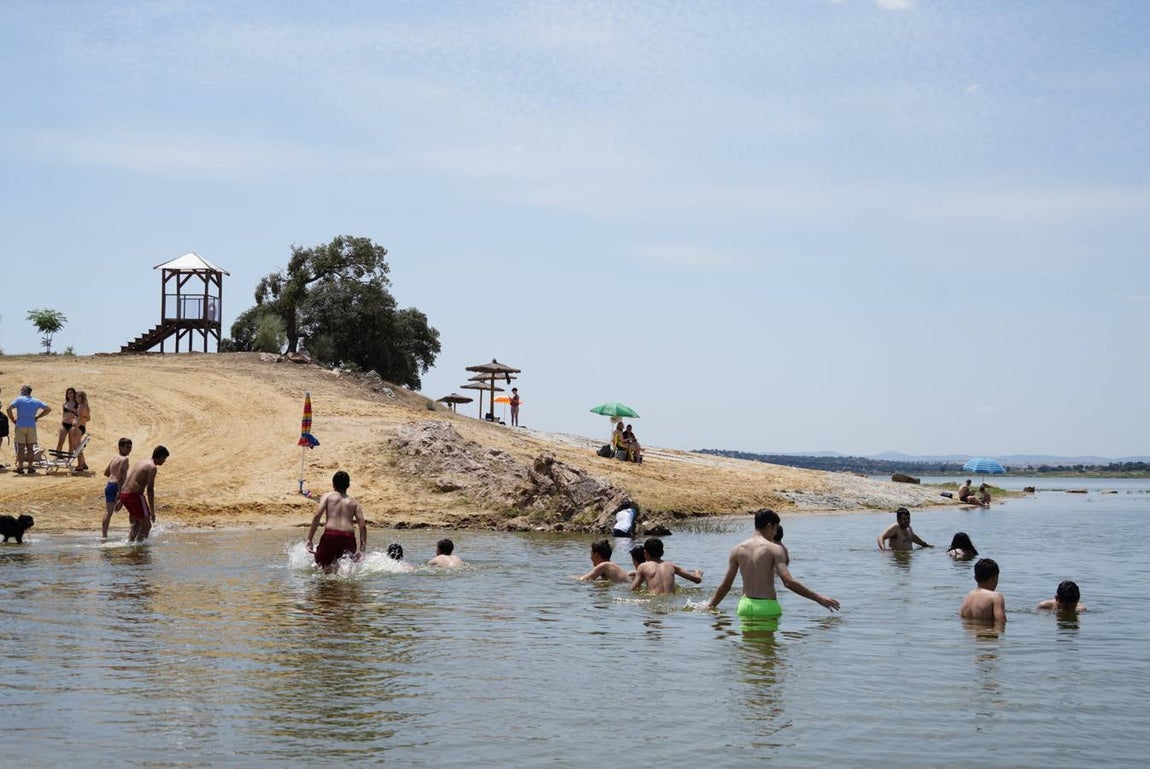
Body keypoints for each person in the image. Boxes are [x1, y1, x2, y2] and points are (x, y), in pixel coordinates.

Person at [705, 509, 840, 619]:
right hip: (766, 608)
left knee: (749, 651)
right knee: (768, 651)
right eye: (775, 529)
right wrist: (818, 598)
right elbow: (788, 582)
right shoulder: (775, 549)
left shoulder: (737, 549)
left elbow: (726, 585)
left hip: (744, 607)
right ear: (770, 526)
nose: (776, 533)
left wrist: (710, 606)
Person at [306, 470, 367, 571]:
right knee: (344, 570)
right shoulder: (354, 502)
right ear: (348, 485)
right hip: (348, 538)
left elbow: (317, 516)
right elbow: (362, 526)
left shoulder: (327, 496)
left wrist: (309, 539)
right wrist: (362, 550)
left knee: (322, 568)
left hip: (331, 536)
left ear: (333, 484)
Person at [119, 445, 169, 542]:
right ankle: (139, 548)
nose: (164, 461)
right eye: (164, 459)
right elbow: (150, 489)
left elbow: (129, 480)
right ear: (160, 457)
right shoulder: (152, 467)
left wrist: (121, 498)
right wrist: (153, 511)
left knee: (137, 523)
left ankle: (131, 544)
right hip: (135, 496)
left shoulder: (141, 462)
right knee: (147, 526)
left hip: (124, 494)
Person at [630, 538, 702, 595]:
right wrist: (698, 572)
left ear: (645, 553)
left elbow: (633, 589)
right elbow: (697, 580)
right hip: (670, 602)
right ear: (662, 552)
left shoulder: (643, 566)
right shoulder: (671, 566)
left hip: (653, 600)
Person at [6, 385, 51, 474]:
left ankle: (20, 467)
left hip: (20, 425)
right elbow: (48, 409)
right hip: (31, 425)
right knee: (30, 447)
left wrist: (13, 420)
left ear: (23, 391)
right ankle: (30, 467)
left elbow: (8, 409)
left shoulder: (19, 399)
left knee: (21, 447)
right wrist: (37, 417)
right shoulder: (35, 401)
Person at [101, 437, 133, 538]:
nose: (129, 450)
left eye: (130, 447)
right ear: (120, 447)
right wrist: (120, 492)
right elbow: (120, 476)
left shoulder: (115, 458)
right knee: (133, 509)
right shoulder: (125, 459)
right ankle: (132, 533)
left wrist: (113, 477)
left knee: (108, 512)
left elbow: (106, 473)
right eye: (127, 447)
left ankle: (104, 536)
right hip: (119, 487)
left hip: (109, 485)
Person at [959, 557, 1006, 624]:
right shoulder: (996, 597)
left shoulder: (968, 596)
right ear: (994, 578)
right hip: (987, 633)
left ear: (975, 578)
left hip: (970, 633)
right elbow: (1001, 623)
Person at [56, 387, 79, 453]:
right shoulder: (65, 404)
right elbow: (63, 414)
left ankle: (69, 459)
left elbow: (78, 415)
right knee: (60, 442)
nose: (70, 395)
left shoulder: (77, 404)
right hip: (64, 424)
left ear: (74, 394)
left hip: (72, 425)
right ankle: (57, 457)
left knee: (71, 443)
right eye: (68, 393)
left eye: (71, 393)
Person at [73, 390, 91, 471]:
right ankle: (83, 463)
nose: (76, 398)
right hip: (83, 427)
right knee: (79, 446)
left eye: (77, 396)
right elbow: (88, 418)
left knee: (77, 447)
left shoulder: (80, 406)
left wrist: (76, 427)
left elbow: (80, 418)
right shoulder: (86, 406)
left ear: (81, 397)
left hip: (79, 428)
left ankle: (80, 465)